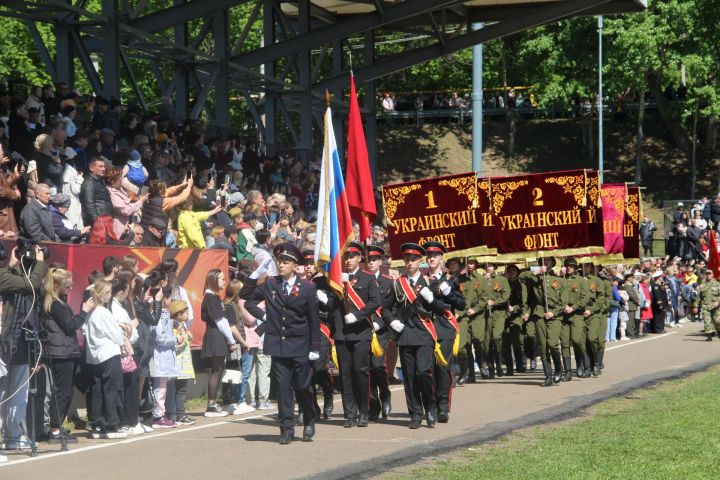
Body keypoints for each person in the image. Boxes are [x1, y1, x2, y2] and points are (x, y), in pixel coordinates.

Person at [241, 243, 321, 444]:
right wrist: (264, 314)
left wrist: (315, 347)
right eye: (280, 261)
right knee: (284, 389)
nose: (281, 265)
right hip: (278, 345)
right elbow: (246, 298)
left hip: (301, 344)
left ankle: (309, 418)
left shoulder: (308, 288)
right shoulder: (270, 284)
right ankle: (286, 428)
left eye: (286, 262)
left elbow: (313, 319)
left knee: (303, 387)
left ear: (295, 266)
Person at [388, 243, 451, 429]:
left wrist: (431, 300)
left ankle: (430, 406)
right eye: (407, 260)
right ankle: (415, 413)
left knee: (423, 372)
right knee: (409, 376)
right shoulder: (398, 283)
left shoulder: (429, 282)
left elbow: (442, 309)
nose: (409, 263)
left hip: (424, 334)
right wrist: (391, 321)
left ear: (420, 261)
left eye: (413, 260)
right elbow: (386, 308)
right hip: (406, 335)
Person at [0, 245, 47, 450]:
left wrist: (11, 265)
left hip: (16, 341)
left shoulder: (6, 274)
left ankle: (13, 436)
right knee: (4, 393)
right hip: (5, 342)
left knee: (18, 393)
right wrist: (40, 263)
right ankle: (9, 436)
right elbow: (32, 284)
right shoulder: (4, 277)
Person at [41, 268, 94, 443]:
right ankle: (54, 430)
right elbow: (70, 326)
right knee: (62, 392)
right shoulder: (55, 304)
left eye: (71, 286)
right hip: (60, 353)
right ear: (56, 285)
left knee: (67, 392)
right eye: (67, 286)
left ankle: (57, 427)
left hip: (64, 351)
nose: (71, 289)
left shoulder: (59, 302)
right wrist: (84, 311)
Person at [333, 241, 381, 428]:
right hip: (342, 333)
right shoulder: (338, 279)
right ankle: (350, 414)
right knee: (345, 374)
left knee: (360, 372)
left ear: (360, 258)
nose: (348, 260)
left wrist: (358, 315)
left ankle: (364, 411)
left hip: (360, 332)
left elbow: (375, 302)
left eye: (352, 256)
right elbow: (333, 307)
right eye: (346, 256)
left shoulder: (368, 278)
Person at [422, 241, 464, 423]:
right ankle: (430, 405)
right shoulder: (420, 278)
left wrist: (448, 292)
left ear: (441, 259)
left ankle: (443, 406)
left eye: (435, 256)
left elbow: (461, 304)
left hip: (444, 327)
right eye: (429, 256)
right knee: (427, 368)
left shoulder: (450, 280)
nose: (431, 258)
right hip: (425, 327)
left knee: (443, 367)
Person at [83, 280, 129, 439]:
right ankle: (111, 424)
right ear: (103, 294)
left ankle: (97, 423)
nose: (110, 295)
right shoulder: (103, 312)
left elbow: (85, 330)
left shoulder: (92, 312)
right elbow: (116, 336)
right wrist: (119, 331)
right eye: (109, 292)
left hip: (95, 357)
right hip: (109, 355)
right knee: (111, 389)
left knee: (97, 390)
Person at [200, 269, 240, 417]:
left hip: (218, 336)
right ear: (213, 281)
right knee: (216, 370)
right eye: (222, 279)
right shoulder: (210, 298)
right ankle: (211, 405)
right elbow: (221, 322)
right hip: (215, 336)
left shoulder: (215, 298)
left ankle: (213, 403)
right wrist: (231, 340)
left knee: (219, 369)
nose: (225, 281)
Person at [520, 257, 564, 387]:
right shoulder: (536, 278)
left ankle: (558, 367)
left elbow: (563, 301)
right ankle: (548, 376)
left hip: (554, 315)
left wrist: (554, 312)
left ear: (552, 263)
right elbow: (521, 277)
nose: (546, 263)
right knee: (543, 346)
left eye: (549, 261)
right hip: (539, 313)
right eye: (544, 261)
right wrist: (536, 272)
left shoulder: (559, 279)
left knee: (553, 344)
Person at [365, 245, 393, 421]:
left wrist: (380, 323)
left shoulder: (388, 282)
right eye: (368, 260)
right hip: (363, 329)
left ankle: (385, 394)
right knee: (366, 368)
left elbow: (390, 308)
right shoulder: (360, 280)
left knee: (377, 365)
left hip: (380, 331)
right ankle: (373, 403)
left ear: (381, 261)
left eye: (374, 259)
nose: (371, 263)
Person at [150, 286, 179, 428]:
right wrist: (175, 339)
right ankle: (158, 416)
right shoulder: (159, 315)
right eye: (168, 297)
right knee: (159, 387)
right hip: (159, 354)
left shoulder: (165, 314)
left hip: (166, 354)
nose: (171, 300)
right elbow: (160, 337)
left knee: (163, 386)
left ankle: (160, 414)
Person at [169, 300, 196, 425]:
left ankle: (179, 414)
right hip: (179, 365)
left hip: (184, 365)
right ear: (179, 315)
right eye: (186, 312)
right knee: (180, 391)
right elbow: (176, 345)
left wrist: (188, 336)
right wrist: (185, 339)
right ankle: (179, 415)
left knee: (181, 391)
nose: (188, 315)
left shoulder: (182, 326)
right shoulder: (174, 327)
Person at [80, 157, 113, 227]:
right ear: (91, 168)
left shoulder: (100, 181)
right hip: (98, 225)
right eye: (100, 166)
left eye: (104, 166)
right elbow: (89, 205)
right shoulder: (89, 182)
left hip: (105, 221)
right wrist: (97, 223)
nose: (103, 169)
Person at [697, 269, 720, 341]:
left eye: (710, 273)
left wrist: (718, 302)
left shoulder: (717, 284)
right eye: (707, 274)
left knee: (717, 321)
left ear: (713, 275)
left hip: (716, 306)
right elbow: (698, 297)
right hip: (705, 306)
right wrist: (695, 306)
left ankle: (719, 332)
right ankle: (709, 336)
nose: (708, 275)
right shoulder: (702, 286)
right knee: (707, 321)